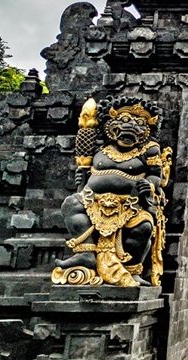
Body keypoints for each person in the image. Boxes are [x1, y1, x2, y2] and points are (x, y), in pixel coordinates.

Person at [54, 96, 171, 287]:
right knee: (70, 204)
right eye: (124, 120)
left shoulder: (149, 150)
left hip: (129, 204)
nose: (131, 127)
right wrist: (81, 180)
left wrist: (149, 185)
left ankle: (133, 269)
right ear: (111, 124)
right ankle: (86, 253)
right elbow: (84, 172)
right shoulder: (100, 149)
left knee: (143, 228)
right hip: (93, 201)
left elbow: (156, 176)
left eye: (139, 124)